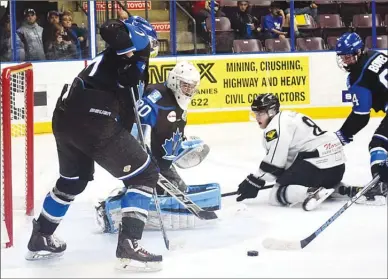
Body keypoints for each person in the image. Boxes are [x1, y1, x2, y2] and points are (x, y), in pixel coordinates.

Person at [25, 18, 163, 271]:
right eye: (151, 43)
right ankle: (129, 245)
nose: (152, 49)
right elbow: (111, 28)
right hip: (93, 119)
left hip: (66, 116)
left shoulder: (116, 59)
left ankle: (41, 235)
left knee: (72, 181)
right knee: (145, 175)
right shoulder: (127, 54)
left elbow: (127, 90)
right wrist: (134, 52)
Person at [95, 61, 220, 233]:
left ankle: (151, 198)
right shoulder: (157, 97)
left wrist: (181, 145)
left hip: (158, 159)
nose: (189, 91)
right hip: (136, 154)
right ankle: (110, 210)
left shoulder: (178, 100)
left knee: (176, 189)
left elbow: (170, 131)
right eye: (186, 86)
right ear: (175, 81)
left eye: (192, 87)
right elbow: (133, 121)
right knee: (142, 186)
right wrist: (138, 149)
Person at [236, 93, 346, 211]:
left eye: (261, 113)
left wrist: (255, 180)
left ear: (272, 112)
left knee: (275, 195)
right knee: (292, 178)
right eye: (255, 113)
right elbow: (289, 161)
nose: (257, 117)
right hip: (337, 169)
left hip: (317, 167)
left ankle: (311, 192)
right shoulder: (290, 116)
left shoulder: (274, 127)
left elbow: (276, 162)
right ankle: (344, 190)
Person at [334, 32, 388, 205]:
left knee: (378, 144)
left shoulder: (358, 78)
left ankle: (380, 186)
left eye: (349, 57)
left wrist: (342, 135)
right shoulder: (377, 54)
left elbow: (361, 116)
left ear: (358, 52)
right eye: (342, 57)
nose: (345, 61)